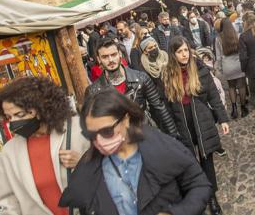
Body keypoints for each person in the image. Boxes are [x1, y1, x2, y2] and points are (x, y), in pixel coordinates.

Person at [59, 89, 212, 215]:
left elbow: (199, 185)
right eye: (92, 134)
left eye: (106, 131)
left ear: (125, 120)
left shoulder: (161, 146)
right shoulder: (88, 171)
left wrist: (176, 213)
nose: (99, 140)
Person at [0, 77, 89, 215]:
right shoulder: (9, 153)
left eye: (19, 114)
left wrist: (83, 163)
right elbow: (8, 201)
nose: (12, 122)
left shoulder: (79, 129)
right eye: (8, 117)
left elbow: (114, 167)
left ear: (40, 109)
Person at [162, 36, 230, 215]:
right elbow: (165, 106)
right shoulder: (167, 74)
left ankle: (212, 198)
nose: (184, 55)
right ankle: (196, 196)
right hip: (181, 124)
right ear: (173, 54)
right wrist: (168, 131)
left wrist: (222, 119)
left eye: (186, 50)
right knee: (190, 163)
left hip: (201, 121)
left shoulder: (200, 69)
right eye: (179, 52)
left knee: (207, 161)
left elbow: (214, 95)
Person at [86, 37, 178, 137]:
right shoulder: (94, 91)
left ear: (120, 54)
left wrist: (174, 136)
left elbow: (159, 107)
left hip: (145, 133)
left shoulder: (140, 78)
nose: (110, 60)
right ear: (99, 59)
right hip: (120, 142)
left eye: (113, 54)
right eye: (105, 57)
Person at [215, 18, 248, 119]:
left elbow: (218, 56)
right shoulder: (237, 35)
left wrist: (220, 68)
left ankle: (234, 108)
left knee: (231, 87)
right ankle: (243, 107)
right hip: (238, 64)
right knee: (241, 86)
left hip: (227, 65)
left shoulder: (218, 39)